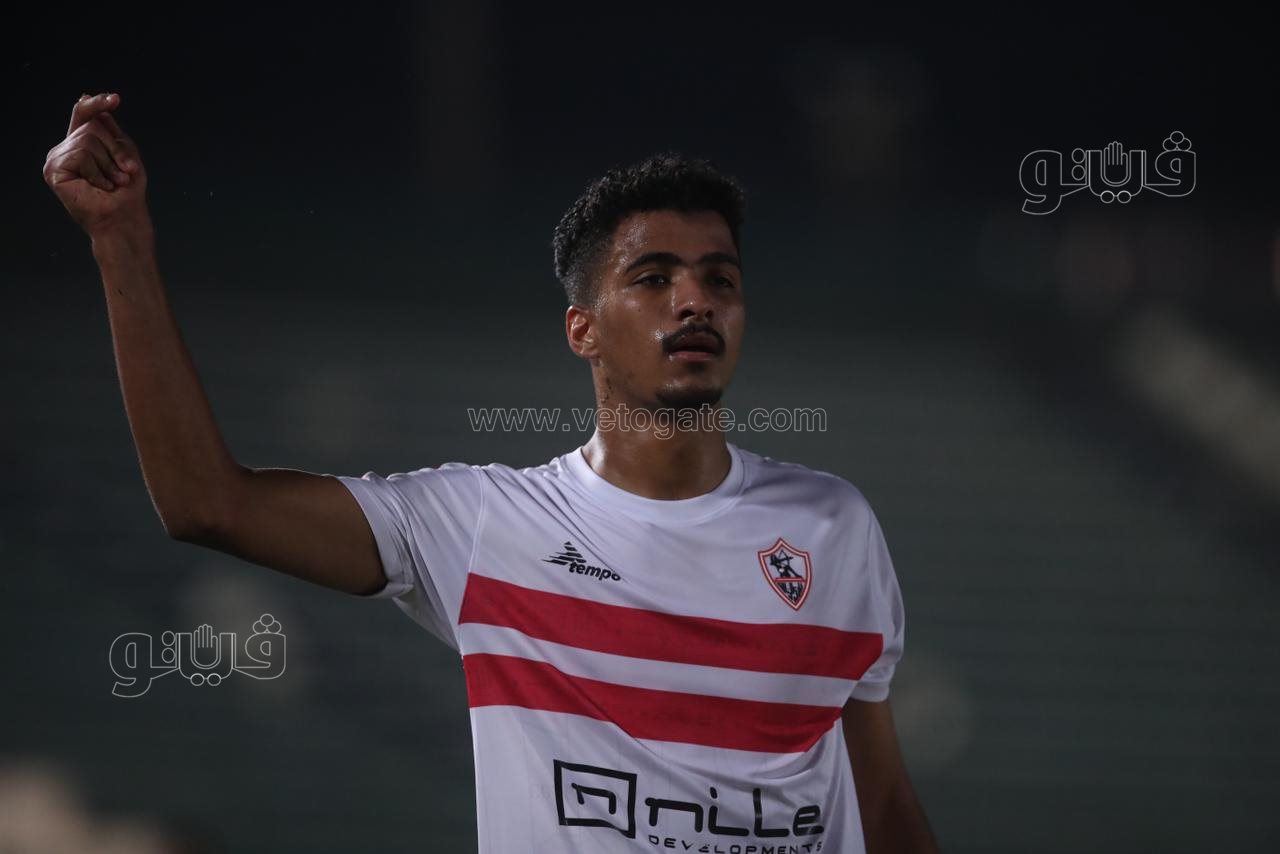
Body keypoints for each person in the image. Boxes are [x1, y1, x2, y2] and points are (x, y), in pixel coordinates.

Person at [44, 91, 940, 854]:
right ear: (582, 329)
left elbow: (885, 804)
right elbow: (206, 503)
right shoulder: (485, 526)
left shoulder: (832, 525)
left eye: (720, 279)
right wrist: (121, 242)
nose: (696, 300)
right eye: (653, 278)